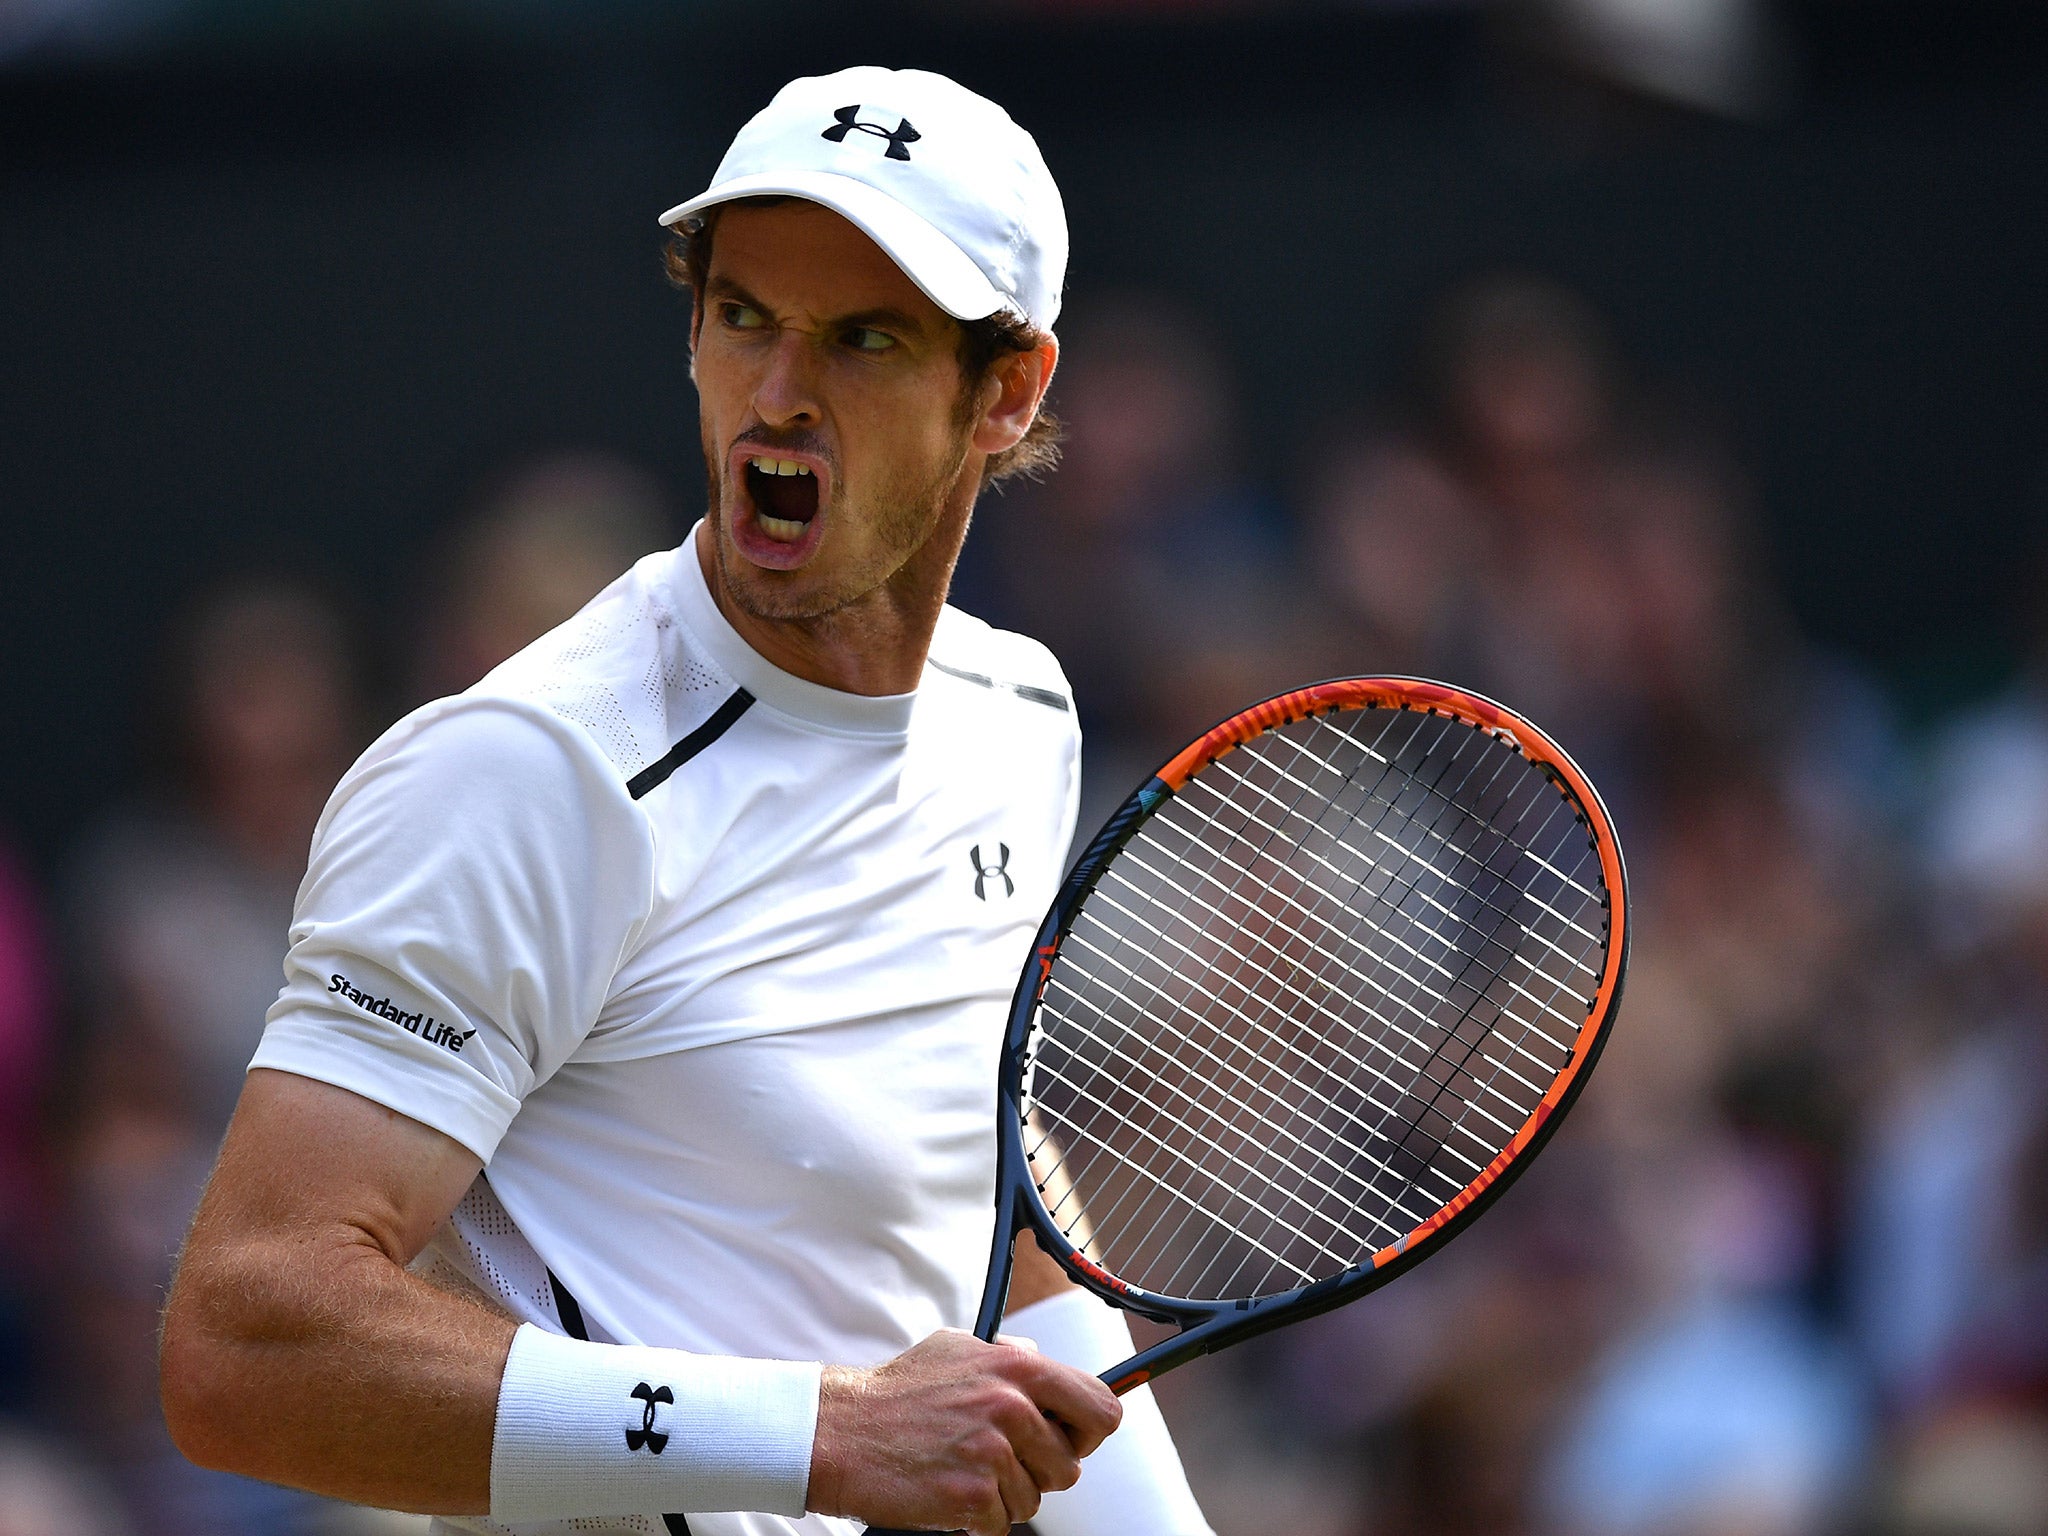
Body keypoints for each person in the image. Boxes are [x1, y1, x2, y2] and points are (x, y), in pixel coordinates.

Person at [158, 66, 1213, 1536]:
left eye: (863, 339)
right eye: (741, 317)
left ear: (1008, 391)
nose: (778, 394)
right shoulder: (528, 771)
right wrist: (819, 1439)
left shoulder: (1013, 715)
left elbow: (986, 1202)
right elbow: (244, 1346)